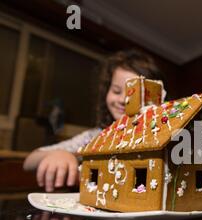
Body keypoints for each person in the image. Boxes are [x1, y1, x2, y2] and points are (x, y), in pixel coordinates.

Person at [23, 49, 165, 192]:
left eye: (133, 93)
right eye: (116, 91)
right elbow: (29, 161)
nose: (123, 100)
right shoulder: (94, 137)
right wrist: (63, 154)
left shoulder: (161, 137)